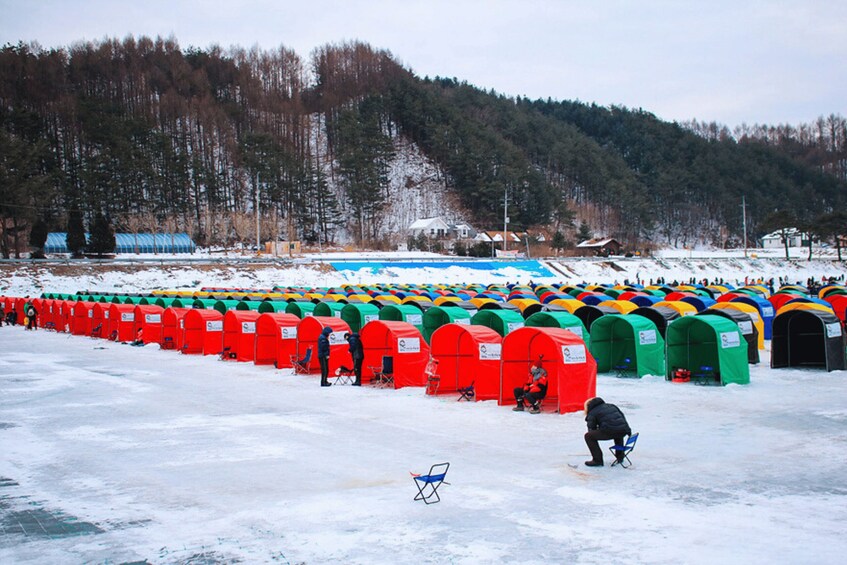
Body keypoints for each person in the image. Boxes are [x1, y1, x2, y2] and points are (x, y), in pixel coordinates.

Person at [583, 397, 632, 467]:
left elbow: (591, 428)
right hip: (623, 430)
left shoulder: (592, 412)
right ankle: (620, 456)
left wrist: (597, 431)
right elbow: (621, 417)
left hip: (612, 431)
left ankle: (597, 460)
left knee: (588, 436)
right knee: (617, 429)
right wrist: (628, 429)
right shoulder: (611, 406)